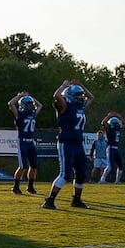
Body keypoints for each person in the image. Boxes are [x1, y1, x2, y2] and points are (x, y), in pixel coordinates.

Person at [44, 80, 92, 210]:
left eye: (80, 95)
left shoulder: (80, 107)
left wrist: (82, 87)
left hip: (78, 143)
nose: (80, 97)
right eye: (77, 95)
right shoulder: (65, 106)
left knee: (81, 174)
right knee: (65, 174)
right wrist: (64, 85)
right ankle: (50, 200)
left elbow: (91, 97)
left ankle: (76, 200)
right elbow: (57, 96)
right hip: (66, 143)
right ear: (70, 96)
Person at [9, 92, 41, 195]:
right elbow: (11, 104)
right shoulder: (19, 114)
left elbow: (40, 105)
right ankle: (16, 187)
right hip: (22, 141)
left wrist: (31, 98)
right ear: (22, 105)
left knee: (34, 166)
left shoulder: (33, 113)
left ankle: (30, 186)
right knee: (23, 166)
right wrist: (20, 96)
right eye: (28, 104)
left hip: (31, 142)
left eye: (31, 104)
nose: (30, 106)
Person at [100, 113, 125, 184]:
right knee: (110, 166)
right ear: (112, 124)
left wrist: (120, 117)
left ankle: (117, 180)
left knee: (120, 166)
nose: (118, 125)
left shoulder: (118, 129)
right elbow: (103, 123)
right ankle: (102, 179)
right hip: (110, 148)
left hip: (116, 148)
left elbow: (124, 124)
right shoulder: (109, 129)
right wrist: (108, 116)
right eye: (116, 123)